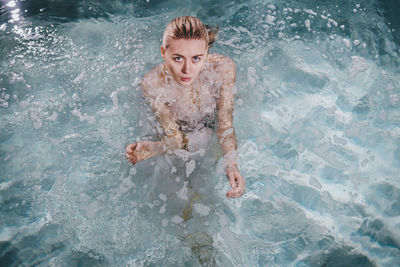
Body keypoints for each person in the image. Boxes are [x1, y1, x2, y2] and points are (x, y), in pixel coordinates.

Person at [125, 16, 245, 198]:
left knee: (205, 142)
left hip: (208, 123)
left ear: (207, 53)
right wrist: (157, 147)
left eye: (196, 58)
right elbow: (176, 139)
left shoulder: (223, 68)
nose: (187, 69)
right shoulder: (153, 84)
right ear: (163, 53)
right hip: (178, 130)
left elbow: (225, 125)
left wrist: (232, 165)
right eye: (178, 58)